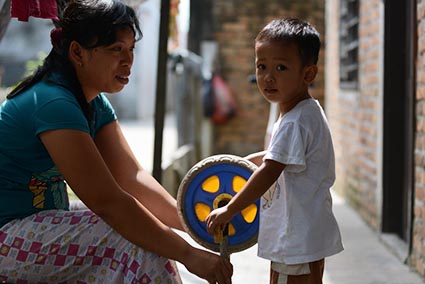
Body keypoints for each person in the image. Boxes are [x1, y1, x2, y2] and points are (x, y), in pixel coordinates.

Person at [0, 1, 233, 283]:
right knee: (128, 231)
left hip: (39, 225)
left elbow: (132, 178)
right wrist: (190, 255)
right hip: (8, 235)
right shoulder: (53, 103)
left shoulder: (94, 103)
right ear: (78, 52)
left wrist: (197, 225)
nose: (128, 60)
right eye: (116, 50)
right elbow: (109, 203)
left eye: (131, 49)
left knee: (146, 229)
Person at [206, 18, 343, 284]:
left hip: (294, 239)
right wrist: (244, 163)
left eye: (281, 67)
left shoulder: (294, 122)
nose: (268, 77)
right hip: (305, 234)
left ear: (308, 74)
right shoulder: (306, 112)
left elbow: (270, 170)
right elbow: (278, 157)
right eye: (261, 66)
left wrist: (230, 209)